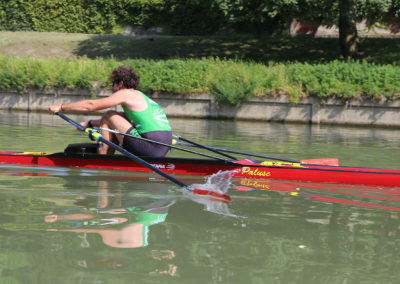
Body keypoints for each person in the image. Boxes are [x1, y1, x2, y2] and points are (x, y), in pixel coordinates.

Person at [48, 66, 172, 157]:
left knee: (109, 114)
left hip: (150, 148)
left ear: (121, 84)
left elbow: (91, 106)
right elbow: (122, 120)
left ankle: (103, 156)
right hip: (163, 147)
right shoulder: (140, 96)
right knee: (113, 116)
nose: (112, 88)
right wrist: (90, 123)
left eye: (113, 84)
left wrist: (61, 107)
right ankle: (107, 155)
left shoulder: (125, 93)